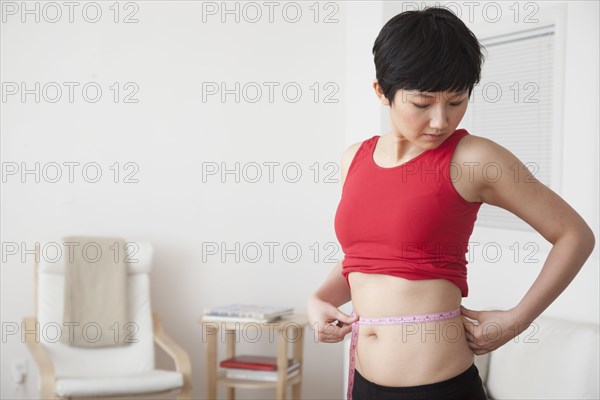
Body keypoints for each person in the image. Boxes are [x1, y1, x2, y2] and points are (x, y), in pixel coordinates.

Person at [307, 6, 596, 400]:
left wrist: (517, 320)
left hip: (440, 389)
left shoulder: (474, 158)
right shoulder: (353, 159)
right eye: (423, 103)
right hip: (364, 385)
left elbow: (574, 235)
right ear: (382, 92)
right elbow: (364, 256)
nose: (442, 121)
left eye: (456, 101)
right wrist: (319, 298)